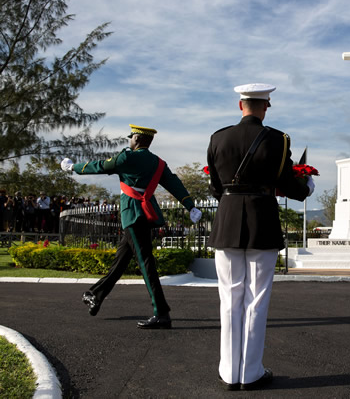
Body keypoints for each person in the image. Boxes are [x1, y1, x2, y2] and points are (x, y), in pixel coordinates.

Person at [207, 83, 313, 391]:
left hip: (227, 222)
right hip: (262, 222)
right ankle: (250, 372)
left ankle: (229, 373)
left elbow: (215, 187)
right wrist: (305, 188)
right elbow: (286, 182)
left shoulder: (218, 137)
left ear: (240, 106)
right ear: (265, 106)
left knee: (229, 298)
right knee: (256, 299)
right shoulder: (278, 139)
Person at [61, 124, 202, 329]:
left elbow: (100, 166)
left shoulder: (127, 158)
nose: (129, 140)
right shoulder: (158, 163)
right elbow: (174, 183)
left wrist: (72, 167)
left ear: (136, 138)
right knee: (120, 262)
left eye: (131, 137)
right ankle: (95, 295)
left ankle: (161, 313)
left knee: (146, 263)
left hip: (132, 215)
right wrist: (190, 205)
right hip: (146, 214)